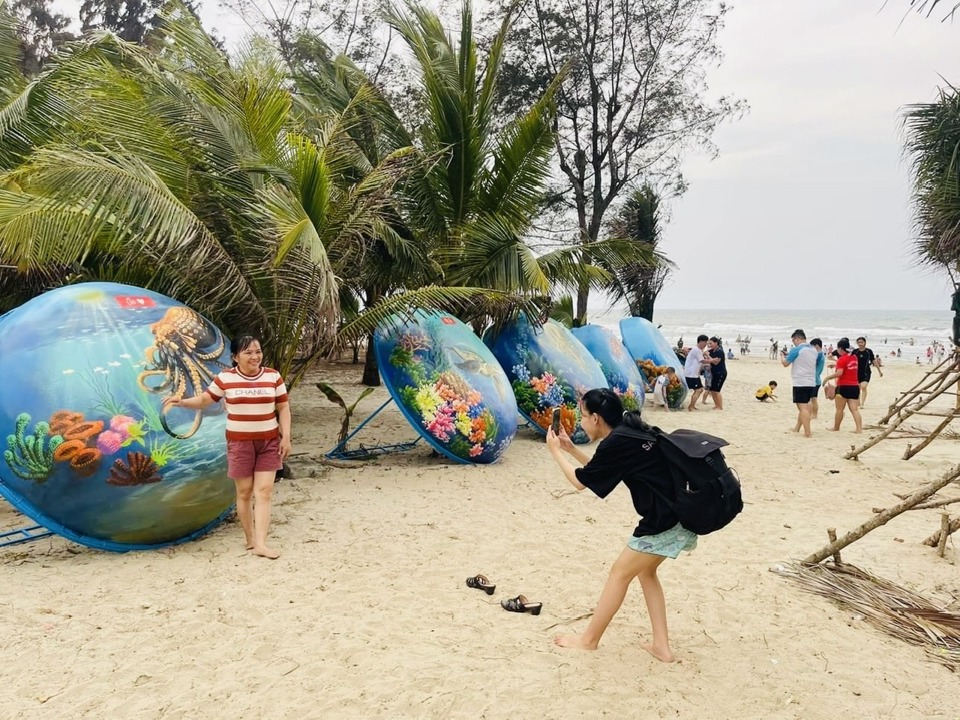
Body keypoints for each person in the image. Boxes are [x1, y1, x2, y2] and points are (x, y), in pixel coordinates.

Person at [545, 388, 696, 661]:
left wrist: (555, 452)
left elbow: (580, 483)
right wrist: (570, 449)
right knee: (646, 573)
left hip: (665, 520)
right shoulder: (627, 431)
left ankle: (589, 640)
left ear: (597, 419)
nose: (580, 422)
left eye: (583, 416)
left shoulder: (616, 442)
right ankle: (661, 647)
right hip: (678, 514)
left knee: (619, 573)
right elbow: (598, 471)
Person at [163, 334, 291, 559]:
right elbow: (204, 400)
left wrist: (286, 436)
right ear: (235, 357)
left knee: (264, 492)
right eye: (248, 352)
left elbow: (283, 408)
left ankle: (261, 543)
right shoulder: (226, 378)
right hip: (239, 443)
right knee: (244, 492)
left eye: (258, 351)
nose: (255, 356)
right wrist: (181, 401)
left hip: (268, 442)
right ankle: (250, 539)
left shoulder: (273, 377)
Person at [821, 337, 862, 434]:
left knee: (839, 409)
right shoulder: (854, 357)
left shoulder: (841, 359)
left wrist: (827, 378)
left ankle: (836, 427)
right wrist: (835, 365)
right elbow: (847, 367)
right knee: (854, 409)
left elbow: (839, 373)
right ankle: (859, 429)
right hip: (854, 387)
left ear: (840, 349)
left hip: (843, 386)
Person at [781, 329, 817, 437]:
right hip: (811, 381)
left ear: (798, 338)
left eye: (794, 340)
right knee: (806, 405)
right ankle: (797, 428)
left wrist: (782, 356)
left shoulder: (796, 349)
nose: (793, 343)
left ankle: (807, 432)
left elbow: (785, 363)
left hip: (800, 381)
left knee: (802, 408)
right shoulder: (814, 349)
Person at [683, 335, 709, 411]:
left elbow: (700, 362)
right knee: (698, 390)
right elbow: (702, 361)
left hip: (694, 374)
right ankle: (691, 407)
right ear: (700, 341)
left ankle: (692, 406)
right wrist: (713, 361)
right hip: (691, 375)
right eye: (705, 342)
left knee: (700, 390)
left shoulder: (698, 350)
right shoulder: (696, 350)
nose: (705, 345)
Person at [852, 337, 878, 408]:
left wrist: (879, 370)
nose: (860, 344)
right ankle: (858, 403)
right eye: (859, 342)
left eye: (861, 342)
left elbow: (873, 361)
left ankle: (862, 404)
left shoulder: (869, 351)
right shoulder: (855, 351)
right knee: (858, 388)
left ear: (865, 343)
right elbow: (850, 361)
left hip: (866, 372)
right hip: (856, 372)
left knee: (863, 386)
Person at [705, 337, 727, 410]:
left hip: (720, 373)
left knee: (717, 390)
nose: (709, 345)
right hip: (713, 373)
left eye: (711, 343)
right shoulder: (711, 351)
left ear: (716, 343)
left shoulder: (720, 351)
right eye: (708, 343)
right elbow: (707, 359)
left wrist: (708, 356)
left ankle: (720, 406)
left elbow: (716, 362)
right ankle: (716, 405)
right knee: (712, 390)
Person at [810, 338, 825, 420]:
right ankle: (813, 414)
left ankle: (814, 414)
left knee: (813, 399)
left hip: (815, 380)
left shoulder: (818, 355)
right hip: (816, 379)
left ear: (817, 346)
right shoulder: (821, 354)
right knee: (812, 398)